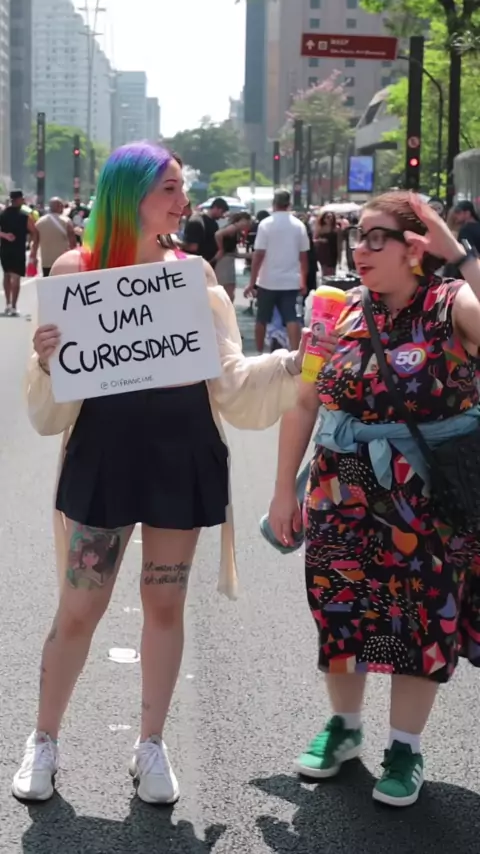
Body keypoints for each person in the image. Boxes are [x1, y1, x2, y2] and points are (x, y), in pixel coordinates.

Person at [14, 142, 305, 806]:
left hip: (182, 451)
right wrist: (47, 359)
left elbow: (229, 377)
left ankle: (151, 744)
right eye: (169, 188)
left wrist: (293, 363)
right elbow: (52, 399)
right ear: (130, 194)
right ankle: (44, 738)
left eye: (181, 187)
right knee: (80, 605)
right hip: (104, 454)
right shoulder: (74, 270)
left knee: (165, 601)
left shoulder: (193, 273)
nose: (183, 201)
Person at [268, 190, 480, 808]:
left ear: (415, 247)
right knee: (343, 612)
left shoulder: (450, 303)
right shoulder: (337, 309)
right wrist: (283, 491)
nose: (361, 248)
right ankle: (345, 727)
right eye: (359, 236)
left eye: (377, 236)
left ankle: (405, 746)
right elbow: (305, 401)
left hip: (428, 501)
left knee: (421, 618)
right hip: (340, 493)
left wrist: (457, 253)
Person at [245, 190, 309, 353]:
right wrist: (303, 280)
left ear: (274, 204)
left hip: (267, 281)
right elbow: (303, 257)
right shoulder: (299, 225)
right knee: (291, 317)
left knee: (262, 318)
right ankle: (295, 354)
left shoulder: (265, 224)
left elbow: (258, 255)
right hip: (290, 281)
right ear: (289, 204)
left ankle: (260, 352)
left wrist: (252, 282)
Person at [0, 189, 38, 316]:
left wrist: (5, 235)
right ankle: (14, 306)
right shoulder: (24, 215)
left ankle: (7, 304)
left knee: (6, 275)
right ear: (19, 200)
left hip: (5, 249)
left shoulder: (3, 214)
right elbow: (34, 232)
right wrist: (32, 246)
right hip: (18, 249)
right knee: (16, 277)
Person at [214, 211, 251, 302]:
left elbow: (233, 253)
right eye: (245, 221)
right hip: (224, 261)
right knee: (228, 288)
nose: (246, 224)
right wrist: (221, 249)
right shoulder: (233, 228)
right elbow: (218, 234)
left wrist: (248, 255)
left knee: (229, 288)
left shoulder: (236, 231)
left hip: (228, 260)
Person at [183, 197, 230, 266]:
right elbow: (193, 247)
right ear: (215, 208)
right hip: (200, 264)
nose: (222, 216)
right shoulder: (197, 221)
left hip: (202, 264)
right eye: (221, 212)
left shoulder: (213, 224)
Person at [36, 198, 77, 277]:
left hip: (46, 261)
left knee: (48, 282)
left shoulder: (40, 222)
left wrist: (33, 256)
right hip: (63, 261)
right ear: (59, 206)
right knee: (63, 283)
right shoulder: (66, 221)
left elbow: (35, 241)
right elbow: (73, 243)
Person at [314, 211, 341, 278]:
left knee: (332, 271)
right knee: (325, 271)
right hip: (323, 251)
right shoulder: (320, 228)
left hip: (333, 251)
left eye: (331, 217)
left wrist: (340, 256)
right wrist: (321, 240)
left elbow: (339, 242)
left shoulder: (336, 228)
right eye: (328, 217)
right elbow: (314, 240)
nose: (330, 219)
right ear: (324, 219)